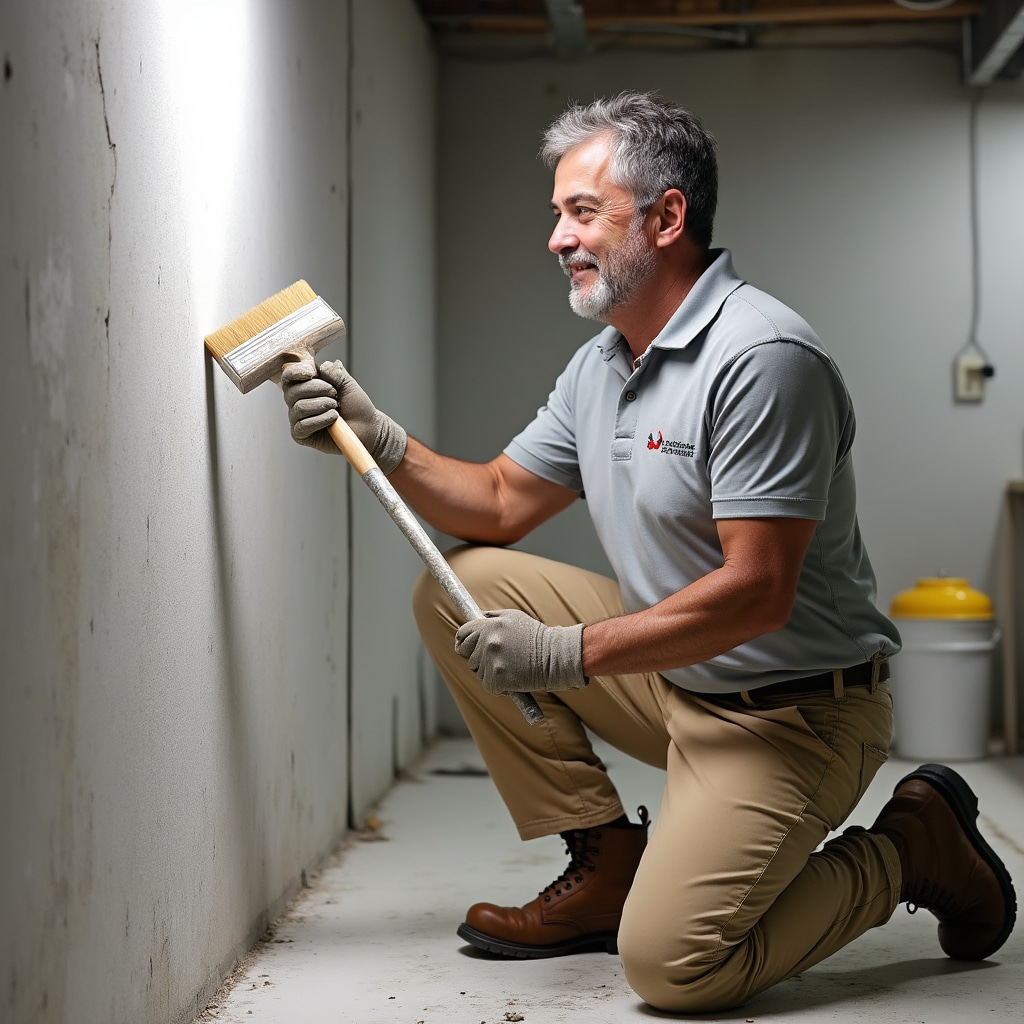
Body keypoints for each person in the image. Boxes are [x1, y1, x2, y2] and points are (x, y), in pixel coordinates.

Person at [281, 92, 1016, 1014]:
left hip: (793, 717)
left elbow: (756, 593)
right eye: (558, 213)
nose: (557, 237)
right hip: (680, 683)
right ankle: (604, 865)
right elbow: (502, 503)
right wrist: (376, 436)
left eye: (582, 212)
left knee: (675, 968)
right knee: (461, 583)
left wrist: (570, 653)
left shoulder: (763, 357)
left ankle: (915, 843)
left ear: (668, 218)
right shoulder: (605, 363)